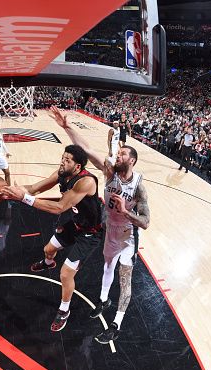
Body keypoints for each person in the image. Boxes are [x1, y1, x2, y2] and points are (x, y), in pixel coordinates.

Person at [47, 106, 150, 344]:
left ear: (132, 160)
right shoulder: (109, 172)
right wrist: (67, 127)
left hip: (127, 236)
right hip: (109, 231)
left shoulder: (138, 187)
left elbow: (145, 222)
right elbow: (87, 149)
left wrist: (126, 212)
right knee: (107, 267)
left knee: (125, 279)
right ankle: (104, 300)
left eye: (122, 154)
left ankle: (117, 324)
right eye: (118, 153)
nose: (118, 156)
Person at [1, 142, 103, 332]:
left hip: (90, 234)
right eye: (62, 158)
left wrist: (23, 198)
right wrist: (13, 191)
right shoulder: (62, 174)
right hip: (76, 224)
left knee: (65, 273)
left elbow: (59, 208)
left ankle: (64, 310)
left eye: (67, 160)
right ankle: (48, 263)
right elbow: (35, 188)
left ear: (78, 166)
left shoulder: (86, 181)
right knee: (48, 250)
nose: (62, 162)